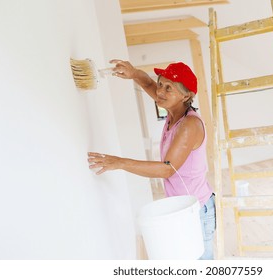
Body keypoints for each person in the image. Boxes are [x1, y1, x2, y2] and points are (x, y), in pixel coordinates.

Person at [87, 60, 216, 260]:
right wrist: (134, 72)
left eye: (168, 88)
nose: (160, 92)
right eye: (160, 84)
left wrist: (120, 162)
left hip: (197, 209)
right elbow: (148, 84)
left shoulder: (189, 124)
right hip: (181, 206)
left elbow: (167, 169)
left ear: (186, 95)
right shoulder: (173, 111)